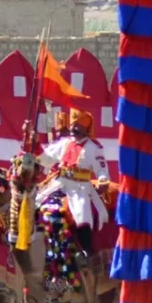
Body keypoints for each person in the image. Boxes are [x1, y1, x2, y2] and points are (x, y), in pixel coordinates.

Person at [31, 108, 109, 255]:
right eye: (73, 125)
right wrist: (36, 146)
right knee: (35, 203)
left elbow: (102, 169)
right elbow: (46, 159)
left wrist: (103, 179)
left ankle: (87, 253)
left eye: (78, 126)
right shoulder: (64, 143)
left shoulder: (94, 148)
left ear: (86, 128)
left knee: (82, 217)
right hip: (60, 183)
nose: (74, 128)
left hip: (80, 188)